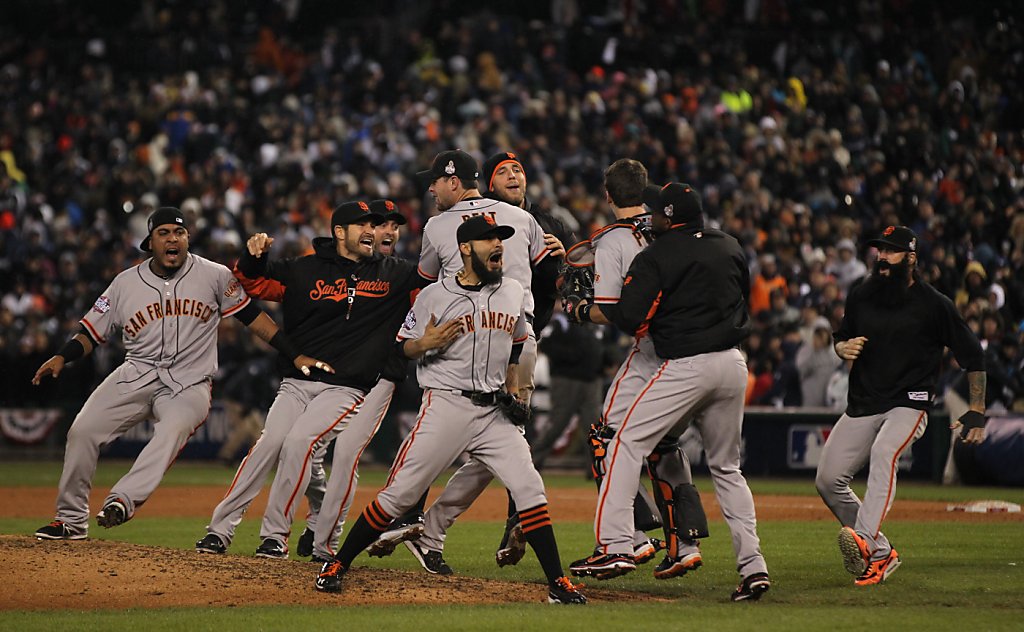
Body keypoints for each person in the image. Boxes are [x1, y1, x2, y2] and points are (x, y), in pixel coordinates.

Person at [314, 215, 586, 605]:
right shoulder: (434, 296)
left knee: (530, 489)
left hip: (494, 412)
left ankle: (558, 583)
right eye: (488, 239)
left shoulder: (511, 290)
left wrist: (512, 390)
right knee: (399, 496)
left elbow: (517, 342)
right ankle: (338, 563)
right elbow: (401, 347)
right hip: (446, 404)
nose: (498, 246)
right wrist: (424, 343)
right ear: (464, 249)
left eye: (500, 238)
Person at [32, 207, 324, 540]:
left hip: (189, 383)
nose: (173, 239)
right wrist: (62, 356)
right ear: (150, 242)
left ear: (188, 238)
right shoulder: (125, 283)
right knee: (81, 431)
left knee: (171, 430)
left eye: (180, 233)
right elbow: (91, 332)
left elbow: (254, 319)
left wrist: (294, 353)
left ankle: (122, 501)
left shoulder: (214, 275)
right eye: (165, 233)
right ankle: (70, 520)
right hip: (136, 372)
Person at [568, 183, 771, 602]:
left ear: (669, 216)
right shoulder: (729, 245)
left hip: (686, 366)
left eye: (655, 212)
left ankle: (617, 545)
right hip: (733, 364)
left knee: (624, 441)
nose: (648, 217)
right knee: (727, 469)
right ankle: (753, 567)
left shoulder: (655, 255)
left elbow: (628, 317)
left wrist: (581, 310)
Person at [369, 150, 562, 573]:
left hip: (462, 334)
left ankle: (413, 515)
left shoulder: (440, 225)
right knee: (501, 441)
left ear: (453, 182)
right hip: (518, 336)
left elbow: (422, 281)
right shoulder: (523, 219)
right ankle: (449, 522)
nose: (431, 189)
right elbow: (552, 280)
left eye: (435, 182)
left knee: (445, 430)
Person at [194, 201, 422, 558]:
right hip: (296, 381)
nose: (370, 230)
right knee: (268, 445)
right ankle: (219, 530)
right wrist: (252, 256)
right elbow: (253, 283)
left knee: (300, 442)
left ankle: (275, 536)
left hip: (347, 387)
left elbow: (436, 288)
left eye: (373, 225)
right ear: (339, 232)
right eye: (362, 225)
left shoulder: (395, 274)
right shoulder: (304, 269)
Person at [817, 225, 987, 586]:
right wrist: (839, 348)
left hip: (910, 403)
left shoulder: (934, 304)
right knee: (828, 480)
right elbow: (843, 335)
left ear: (911, 258)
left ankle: (863, 540)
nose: (882, 257)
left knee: (885, 453)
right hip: (864, 401)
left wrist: (976, 409)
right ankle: (880, 551)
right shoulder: (861, 294)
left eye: (891, 252)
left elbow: (973, 356)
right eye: (880, 250)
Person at [569, 161, 707, 581]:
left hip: (651, 350)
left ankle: (626, 539)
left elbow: (613, 310)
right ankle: (685, 545)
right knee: (664, 444)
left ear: (607, 195)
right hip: (694, 349)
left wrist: (577, 309)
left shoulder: (613, 240)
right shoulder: (668, 226)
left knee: (605, 438)